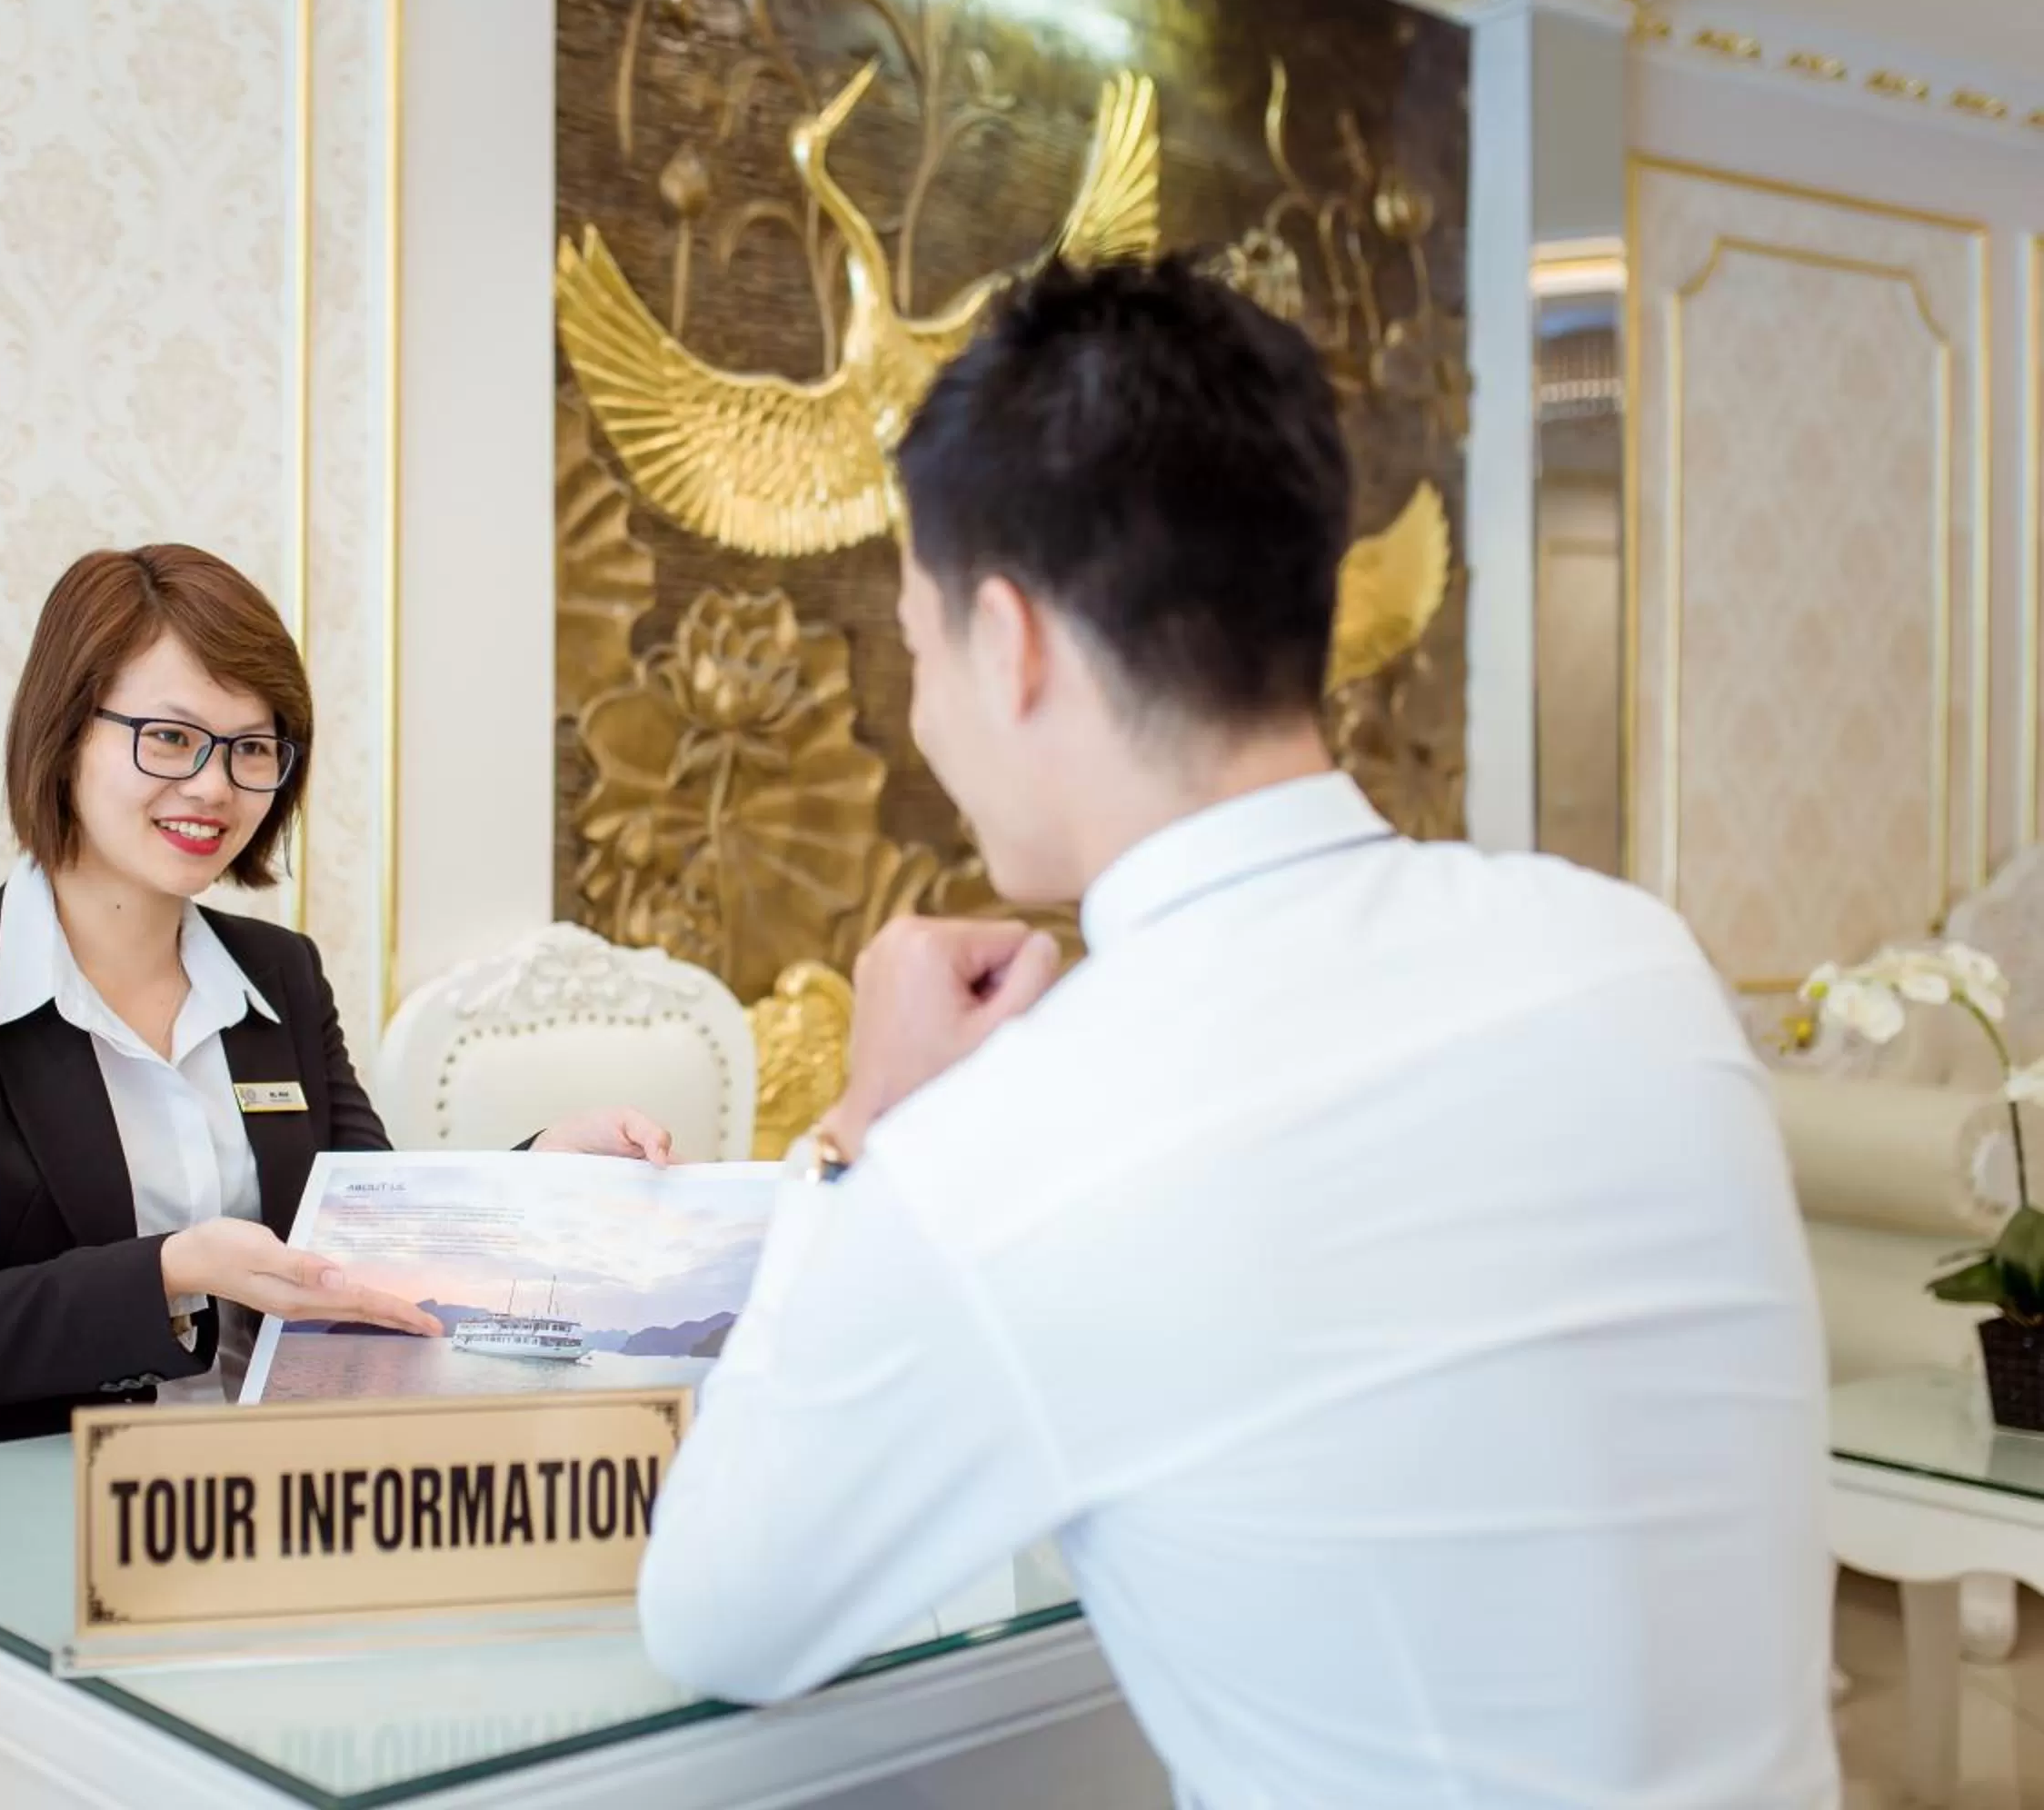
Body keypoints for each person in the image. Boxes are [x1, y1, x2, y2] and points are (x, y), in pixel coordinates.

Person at [634, 259, 1838, 1805]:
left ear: (1010, 645)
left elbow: (721, 1619)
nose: (922, 716)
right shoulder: (1633, 962)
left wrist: (870, 1126)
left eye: (918, 649)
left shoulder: (1006, 1157)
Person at [0, 545, 672, 1457]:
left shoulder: (281, 976)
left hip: (268, 1493)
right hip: (21, 1510)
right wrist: (169, 1271)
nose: (214, 787)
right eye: (172, 736)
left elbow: (367, 1234)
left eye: (253, 747)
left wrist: (546, 1164)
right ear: (66, 730)